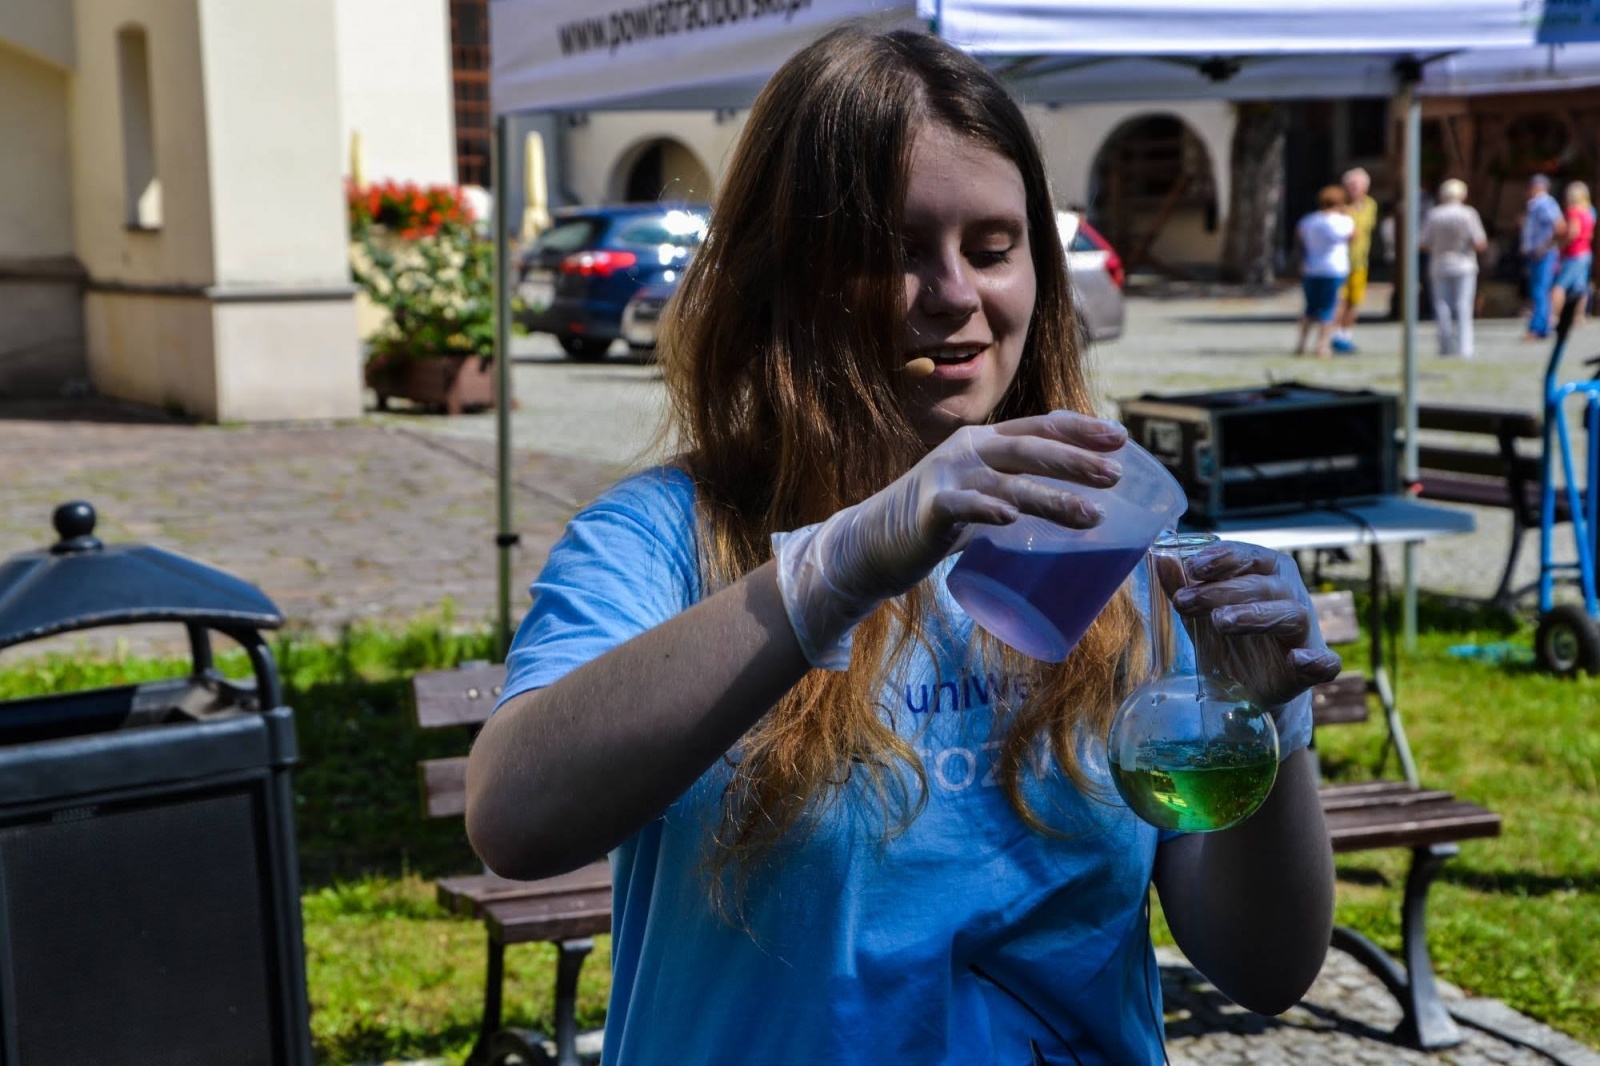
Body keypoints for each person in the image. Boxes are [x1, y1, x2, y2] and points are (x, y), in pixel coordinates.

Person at [465, 26, 1340, 1066]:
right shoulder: (666, 534)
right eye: (894, 252)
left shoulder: (1100, 549)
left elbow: (1264, 965)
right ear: (786, 277)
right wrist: (836, 564)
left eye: (992, 246)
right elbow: (515, 819)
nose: (958, 295)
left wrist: (1268, 730)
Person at [1419, 178, 1488, 358]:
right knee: (1463, 305)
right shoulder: (1468, 214)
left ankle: (1444, 346)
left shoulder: (1434, 215)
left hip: (1440, 263)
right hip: (1464, 264)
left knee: (1442, 305)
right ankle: (1465, 347)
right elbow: (1480, 242)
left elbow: (1424, 243)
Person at [1294, 185, 1356, 358]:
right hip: (1334, 269)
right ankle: (1322, 346)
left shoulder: (1309, 220)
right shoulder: (1343, 221)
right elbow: (1354, 236)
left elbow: (1299, 239)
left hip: (1311, 268)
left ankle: (1301, 345)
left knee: (1310, 308)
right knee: (1329, 308)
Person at [1331, 167, 1378, 354]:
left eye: (1357, 185)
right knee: (1339, 301)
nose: (1353, 189)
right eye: (1350, 185)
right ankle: (1333, 336)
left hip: (1360, 262)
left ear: (1366, 187)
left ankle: (1346, 336)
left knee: (1354, 301)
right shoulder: (1340, 206)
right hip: (1340, 262)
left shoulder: (1371, 205)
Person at [1520, 173, 1566, 340]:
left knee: (1540, 290)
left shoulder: (1545, 203)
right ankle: (1541, 326)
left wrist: (1544, 247)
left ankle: (1538, 328)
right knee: (1538, 290)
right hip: (1538, 253)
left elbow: (1560, 226)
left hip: (1543, 254)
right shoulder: (1535, 205)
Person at [1550, 181, 1594, 330]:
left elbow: (1573, 232)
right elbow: (1591, 234)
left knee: (1559, 286)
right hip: (1586, 251)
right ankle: (1579, 315)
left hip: (1574, 253)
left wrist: (1560, 245)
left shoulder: (1573, 211)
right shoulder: (1590, 212)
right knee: (1580, 286)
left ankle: (1554, 315)